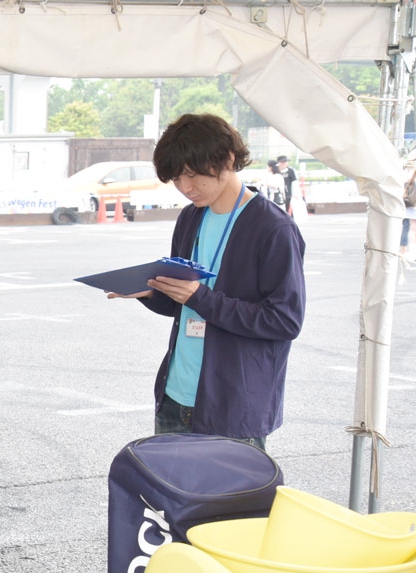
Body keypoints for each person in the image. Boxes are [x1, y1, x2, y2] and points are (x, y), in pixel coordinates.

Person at [108, 114, 306, 451]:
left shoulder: (273, 228)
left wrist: (200, 297)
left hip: (232, 405)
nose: (185, 188)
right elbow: (183, 302)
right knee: (169, 487)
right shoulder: (191, 217)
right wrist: (152, 292)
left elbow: (284, 320)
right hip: (176, 396)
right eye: (176, 178)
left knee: (229, 489)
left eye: (193, 174)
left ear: (227, 159)